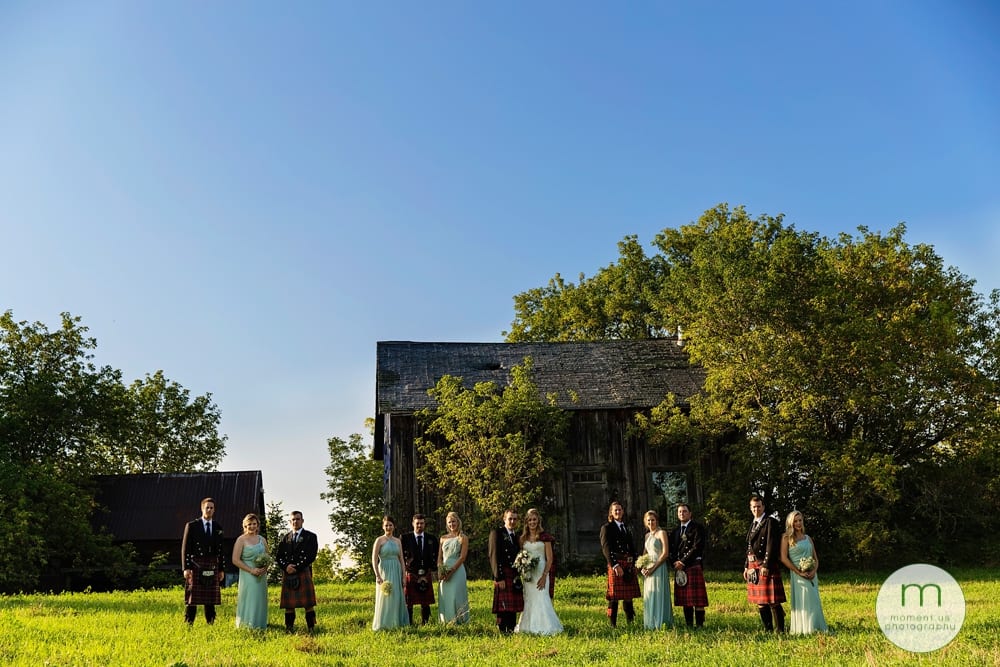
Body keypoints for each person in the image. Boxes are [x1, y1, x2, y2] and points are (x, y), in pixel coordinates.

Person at [514, 508, 563, 635]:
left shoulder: (544, 537)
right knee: (529, 598)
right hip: (528, 573)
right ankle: (527, 626)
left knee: (542, 597)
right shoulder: (523, 538)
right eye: (529, 520)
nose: (532, 522)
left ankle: (546, 627)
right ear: (526, 522)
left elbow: (550, 558)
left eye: (534, 519)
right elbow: (521, 554)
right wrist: (522, 565)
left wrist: (544, 575)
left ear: (538, 520)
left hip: (541, 570)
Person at [780, 511, 829, 635]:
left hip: (812, 574)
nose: (798, 523)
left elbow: (816, 558)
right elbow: (784, 558)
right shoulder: (786, 538)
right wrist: (798, 572)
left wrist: (814, 570)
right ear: (790, 523)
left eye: (800, 520)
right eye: (795, 521)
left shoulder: (808, 538)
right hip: (798, 575)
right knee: (803, 600)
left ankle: (816, 627)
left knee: (814, 601)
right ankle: (804, 629)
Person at [744, 495, 787, 633]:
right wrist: (746, 566)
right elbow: (749, 546)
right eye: (753, 507)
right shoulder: (753, 523)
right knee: (760, 601)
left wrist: (766, 565)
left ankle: (780, 629)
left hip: (764, 563)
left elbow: (771, 544)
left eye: (758, 506)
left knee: (773, 600)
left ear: (763, 507)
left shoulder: (770, 522)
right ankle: (768, 629)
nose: (756, 509)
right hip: (753, 564)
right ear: (750, 508)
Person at [181, 497, 225, 625]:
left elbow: (221, 550)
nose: (209, 510)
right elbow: (185, 548)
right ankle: (189, 622)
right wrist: (186, 568)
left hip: (212, 564)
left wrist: (221, 569)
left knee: (210, 597)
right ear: (202, 508)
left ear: (214, 510)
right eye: (207, 507)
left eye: (212, 508)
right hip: (195, 564)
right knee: (192, 597)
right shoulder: (192, 526)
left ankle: (210, 622)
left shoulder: (218, 527)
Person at [276, 510, 318, 632]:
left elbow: (311, 556)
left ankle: (311, 628)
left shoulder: (311, 536)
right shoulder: (285, 538)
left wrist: (296, 567)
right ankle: (289, 628)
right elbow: (279, 557)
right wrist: (286, 567)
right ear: (290, 522)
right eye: (293, 519)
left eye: (298, 519)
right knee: (289, 605)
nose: (295, 521)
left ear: (302, 521)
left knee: (308, 605)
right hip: (288, 573)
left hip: (303, 571)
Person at [599, 501, 640, 627]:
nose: (618, 512)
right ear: (611, 512)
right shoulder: (607, 528)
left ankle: (630, 622)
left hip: (628, 563)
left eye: (620, 510)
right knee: (614, 596)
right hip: (616, 563)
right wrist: (615, 565)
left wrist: (635, 563)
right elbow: (606, 548)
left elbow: (632, 547)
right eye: (615, 510)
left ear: (623, 511)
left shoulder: (626, 527)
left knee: (628, 596)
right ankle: (612, 624)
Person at [669, 503, 709, 628]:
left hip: (692, 565)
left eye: (685, 511)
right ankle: (689, 625)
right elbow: (671, 549)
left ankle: (700, 625)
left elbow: (697, 547)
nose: (682, 513)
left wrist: (683, 561)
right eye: (680, 512)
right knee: (686, 600)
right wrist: (674, 562)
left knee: (697, 600)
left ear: (690, 513)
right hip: (680, 568)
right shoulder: (675, 531)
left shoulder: (697, 528)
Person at [488, 508, 524, 634]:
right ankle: (503, 629)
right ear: (504, 519)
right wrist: (498, 577)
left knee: (512, 606)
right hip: (503, 573)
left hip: (514, 574)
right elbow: (493, 556)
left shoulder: (517, 536)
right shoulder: (497, 533)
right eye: (510, 518)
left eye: (515, 519)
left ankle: (512, 628)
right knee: (503, 606)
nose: (512, 521)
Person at [232, 513, 269, 629]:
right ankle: (247, 625)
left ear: (257, 525)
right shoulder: (241, 540)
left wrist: (264, 568)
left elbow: (268, 557)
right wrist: (251, 570)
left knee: (260, 599)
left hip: (261, 576)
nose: (252, 526)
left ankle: (260, 624)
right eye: (249, 524)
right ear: (245, 526)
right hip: (247, 574)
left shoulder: (262, 540)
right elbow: (235, 560)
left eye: (254, 524)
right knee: (249, 598)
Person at [372, 515, 409, 630]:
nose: (388, 527)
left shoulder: (398, 541)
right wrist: (377, 575)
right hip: (384, 570)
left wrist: (404, 575)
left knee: (396, 596)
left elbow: (401, 559)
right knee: (385, 596)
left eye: (390, 525)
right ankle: (384, 624)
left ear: (394, 526)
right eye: (386, 525)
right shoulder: (379, 540)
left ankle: (396, 622)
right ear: (383, 527)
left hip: (396, 569)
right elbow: (374, 559)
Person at [401, 513, 438, 625]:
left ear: (424, 524)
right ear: (413, 524)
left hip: (426, 572)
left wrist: (434, 569)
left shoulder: (431, 538)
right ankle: (409, 623)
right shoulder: (405, 538)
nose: (419, 525)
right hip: (411, 572)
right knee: (409, 601)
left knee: (425, 601)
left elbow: (436, 555)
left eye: (422, 523)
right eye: (417, 523)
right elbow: (401, 555)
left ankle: (425, 623)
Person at [639, 510, 672, 630]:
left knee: (659, 593)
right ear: (645, 522)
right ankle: (650, 623)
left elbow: (665, 553)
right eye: (648, 520)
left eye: (653, 520)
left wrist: (653, 567)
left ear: (656, 520)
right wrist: (642, 566)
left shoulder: (661, 533)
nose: (651, 522)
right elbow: (645, 553)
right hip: (648, 568)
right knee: (650, 593)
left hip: (658, 566)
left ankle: (661, 622)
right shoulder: (647, 535)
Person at [437, 511, 470, 625]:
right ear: (447, 524)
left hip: (457, 569)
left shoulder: (462, 537)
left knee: (456, 595)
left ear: (458, 522)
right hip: (444, 569)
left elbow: (462, 557)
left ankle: (460, 620)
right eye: (449, 522)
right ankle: (446, 621)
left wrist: (451, 571)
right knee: (445, 595)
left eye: (454, 521)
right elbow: (440, 558)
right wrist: (441, 570)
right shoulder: (443, 538)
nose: (452, 524)